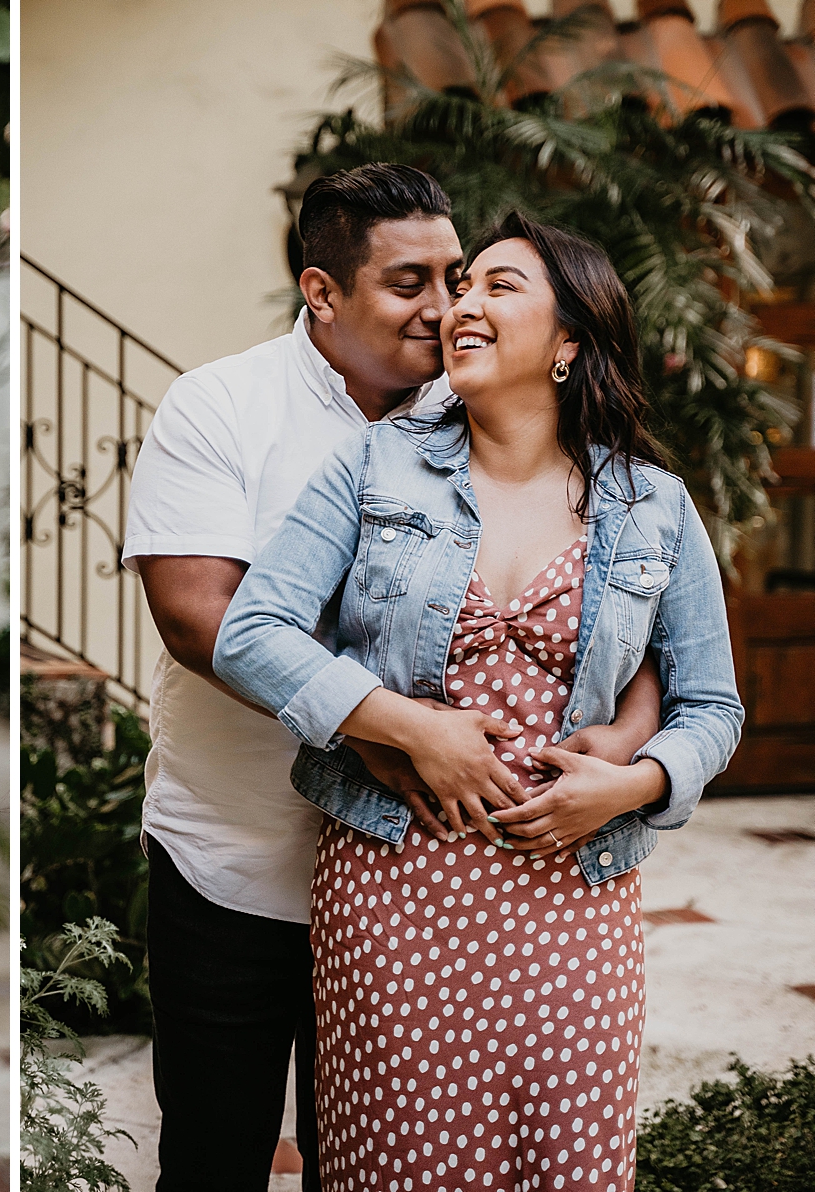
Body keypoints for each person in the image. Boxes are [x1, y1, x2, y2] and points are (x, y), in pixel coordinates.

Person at [121, 165, 661, 1192]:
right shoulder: (221, 404)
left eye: (457, 277)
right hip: (234, 854)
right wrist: (381, 724)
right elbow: (198, 616)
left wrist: (629, 749)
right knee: (215, 1152)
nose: (446, 306)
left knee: (378, 1157)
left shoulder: (485, 406)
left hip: (423, 878)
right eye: (410, 283)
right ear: (321, 292)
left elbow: (624, 619)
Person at [214, 211, 744, 1192]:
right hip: (394, 890)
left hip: (575, 901)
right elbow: (253, 635)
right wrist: (409, 727)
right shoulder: (373, 466)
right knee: (400, 1165)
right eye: (464, 287)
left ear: (569, 340)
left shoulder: (653, 505)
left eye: (500, 286)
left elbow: (712, 706)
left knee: (568, 1163)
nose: (462, 304)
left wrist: (631, 785)